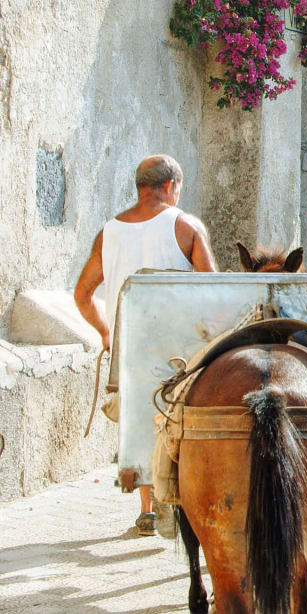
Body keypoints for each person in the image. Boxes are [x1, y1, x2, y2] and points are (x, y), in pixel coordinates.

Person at [74, 154, 217, 536]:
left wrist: (106, 333)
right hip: (179, 347)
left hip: (131, 348)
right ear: (170, 186)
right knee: (179, 417)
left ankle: (147, 509)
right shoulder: (185, 226)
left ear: (141, 186)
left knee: (140, 417)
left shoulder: (109, 233)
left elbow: (83, 295)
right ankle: (179, 499)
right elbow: (214, 288)